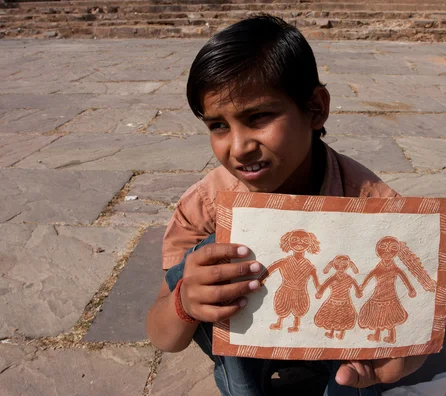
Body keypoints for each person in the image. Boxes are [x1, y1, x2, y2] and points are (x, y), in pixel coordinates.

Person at [145, 14, 427, 396]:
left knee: (357, 380)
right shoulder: (206, 204)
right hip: (248, 344)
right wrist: (186, 302)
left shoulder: (373, 205)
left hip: (335, 336)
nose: (239, 146)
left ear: (314, 108)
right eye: (218, 126)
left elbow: (413, 337)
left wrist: (399, 361)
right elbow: (164, 337)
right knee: (209, 252)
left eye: (257, 117)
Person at [314, 255, 362, 340]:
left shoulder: (349, 278)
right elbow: (324, 286)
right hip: (333, 301)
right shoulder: (333, 278)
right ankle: (331, 333)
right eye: (338, 265)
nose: (340, 267)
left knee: (344, 318)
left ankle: (341, 334)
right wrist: (320, 292)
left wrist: (358, 292)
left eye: (343, 265)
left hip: (345, 301)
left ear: (348, 266)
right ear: (334, 266)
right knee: (333, 317)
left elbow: (356, 286)